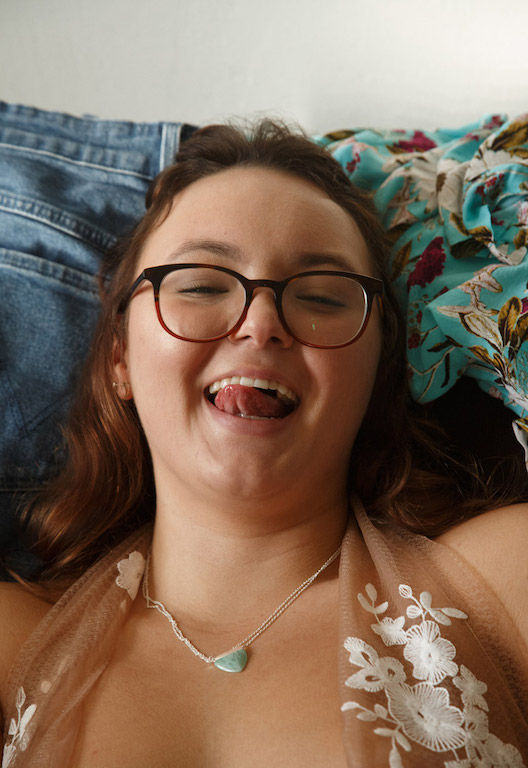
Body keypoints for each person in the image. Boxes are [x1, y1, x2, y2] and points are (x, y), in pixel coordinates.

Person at [0, 120, 527, 767]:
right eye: (201, 285)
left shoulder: (502, 585)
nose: (260, 323)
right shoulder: (11, 645)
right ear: (120, 357)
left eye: (322, 297)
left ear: (379, 364)